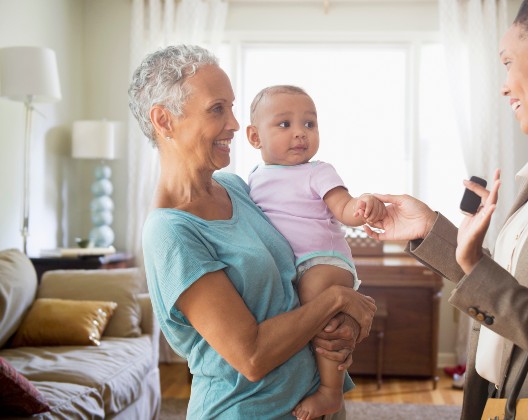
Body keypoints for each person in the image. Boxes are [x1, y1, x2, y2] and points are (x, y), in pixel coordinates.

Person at [365, 0, 528, 417]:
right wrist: (429, 229)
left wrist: (473, 263)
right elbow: (512, 288)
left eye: (508, 63)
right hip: (498, 397)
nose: (504, 85)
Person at [128, 45, 377, 419]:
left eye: (231, 106)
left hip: (313, 403)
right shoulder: (170, 232)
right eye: (217, 109)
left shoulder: (237, 188)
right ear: (164, 121)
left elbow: (292, 285)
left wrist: (342, 325)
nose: (233, 123)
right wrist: (337, 300)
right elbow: (252, 355)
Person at [246, 85, 387, 419]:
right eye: (285, 125)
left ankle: (329, 391)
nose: (300, 134)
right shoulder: (253, 178)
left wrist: (364, 205)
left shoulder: (318, 171)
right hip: (293, 266)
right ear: (254, 137)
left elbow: (344, 207)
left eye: (309, 124)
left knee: (321, 312)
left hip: (324, 260)